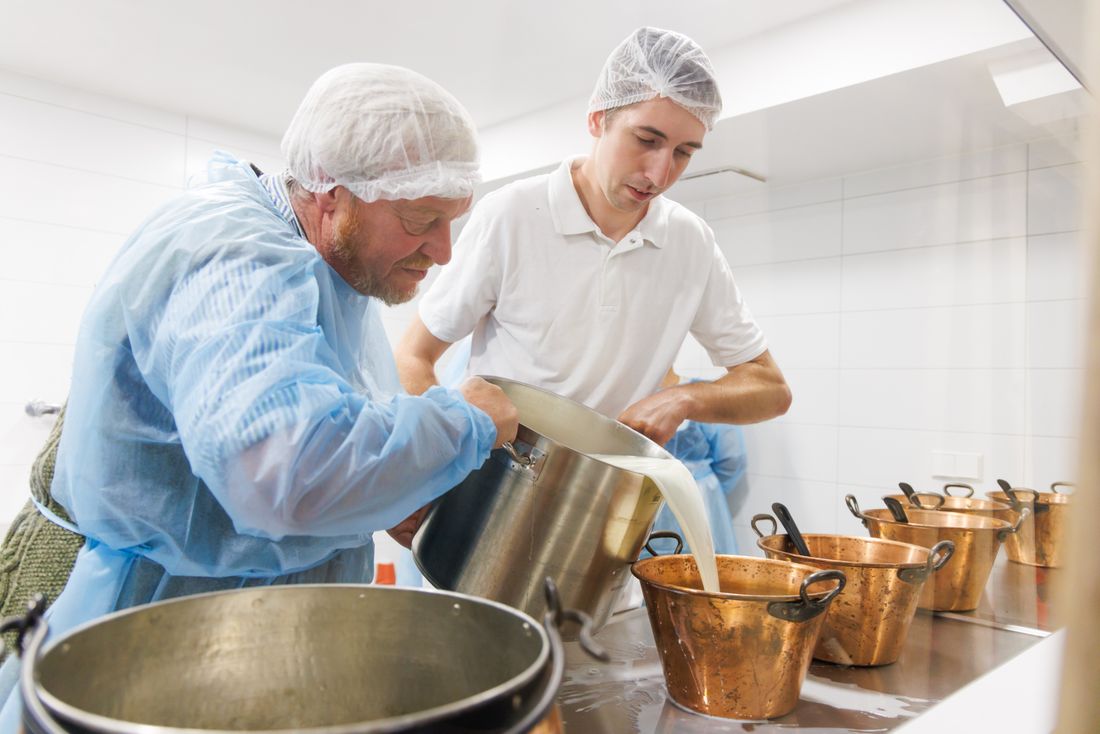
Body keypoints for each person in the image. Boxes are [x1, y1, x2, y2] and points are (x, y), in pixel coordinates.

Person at [0, 63, 519, 711]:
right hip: (152, 643)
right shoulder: (232, 255)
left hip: (251, 640)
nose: (443, 251)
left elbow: (322, 426)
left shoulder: (337, 274)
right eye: (421, 218)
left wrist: (385, 495)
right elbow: (282, 472)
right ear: (333, 194)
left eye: (454, 221)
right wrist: (464, 421)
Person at [396, 27, 791, 448]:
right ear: (597, 118)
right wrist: (447, 439)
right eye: (646, 140)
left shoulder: (690, 242)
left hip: (609, 498)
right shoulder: (511, 215)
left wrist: (685, 398)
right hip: (495, 484)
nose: (660, 175)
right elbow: (412, 356)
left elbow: (770, 388)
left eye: (683, 153)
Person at [647, 369, 747, 556]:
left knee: (701, 572)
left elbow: (732, 459)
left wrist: (703, 486)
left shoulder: (703, 395)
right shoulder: (628, 394)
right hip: (648, 508)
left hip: (701, 501)